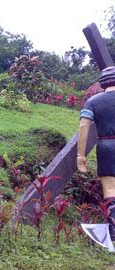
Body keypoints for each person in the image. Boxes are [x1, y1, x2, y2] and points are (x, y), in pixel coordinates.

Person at [77, 66, 115, 240]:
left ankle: (113, 231)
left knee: (110, 189)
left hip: (106, 146)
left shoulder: (93, 101)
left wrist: (81, 155)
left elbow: (84, 126)